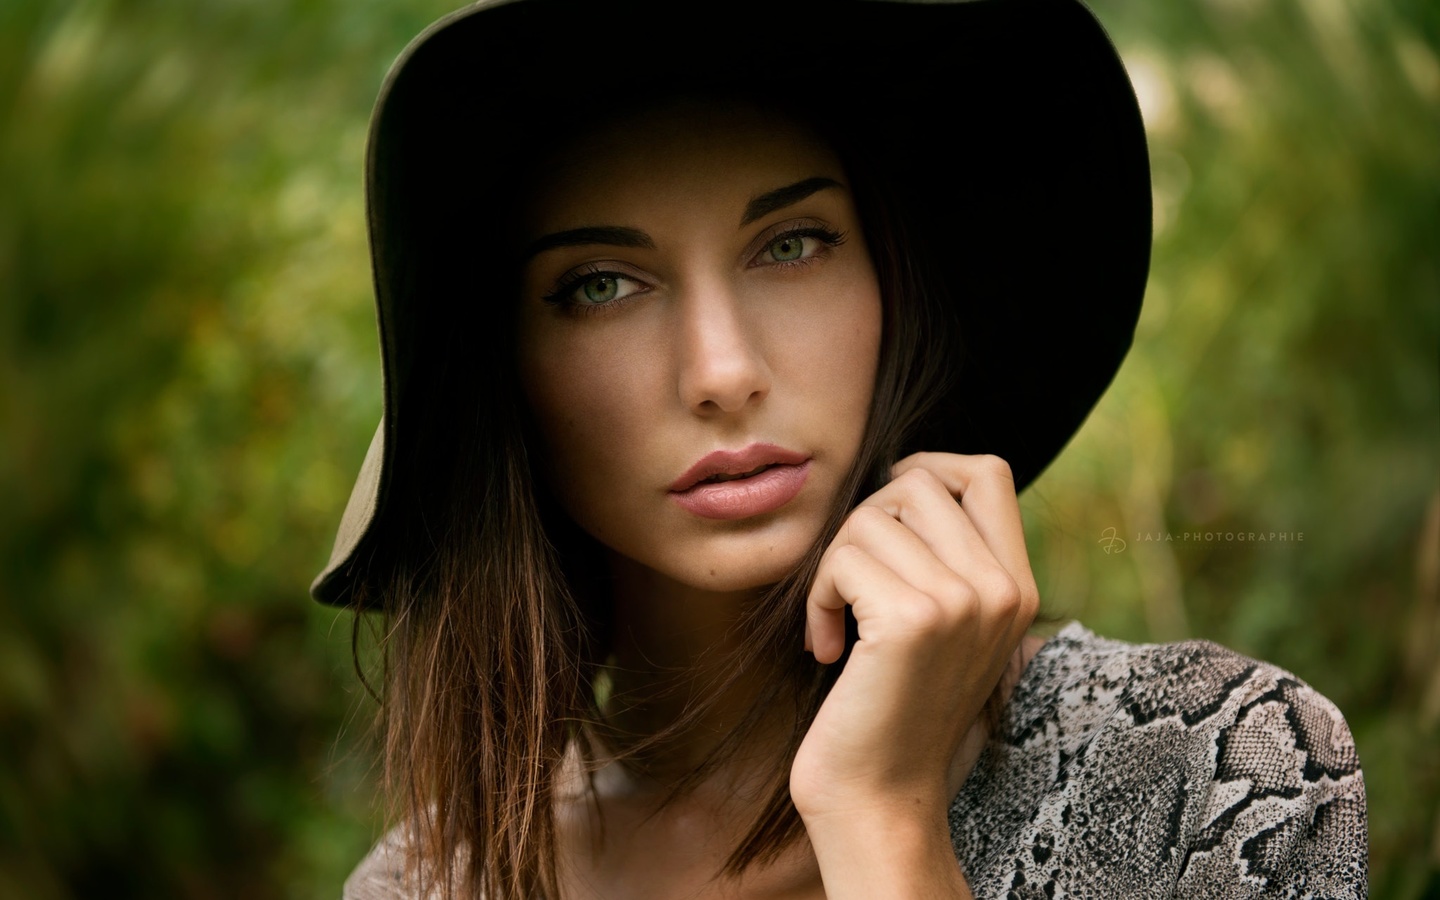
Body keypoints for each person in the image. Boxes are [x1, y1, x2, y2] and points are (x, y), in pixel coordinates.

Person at [312, 0, 1369, 897]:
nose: (722, 372)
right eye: (600, 284)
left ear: (891, 286)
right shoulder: (430, 882)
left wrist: (883, 814)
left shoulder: (1220, 762)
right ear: (507, 376)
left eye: (791, 243)